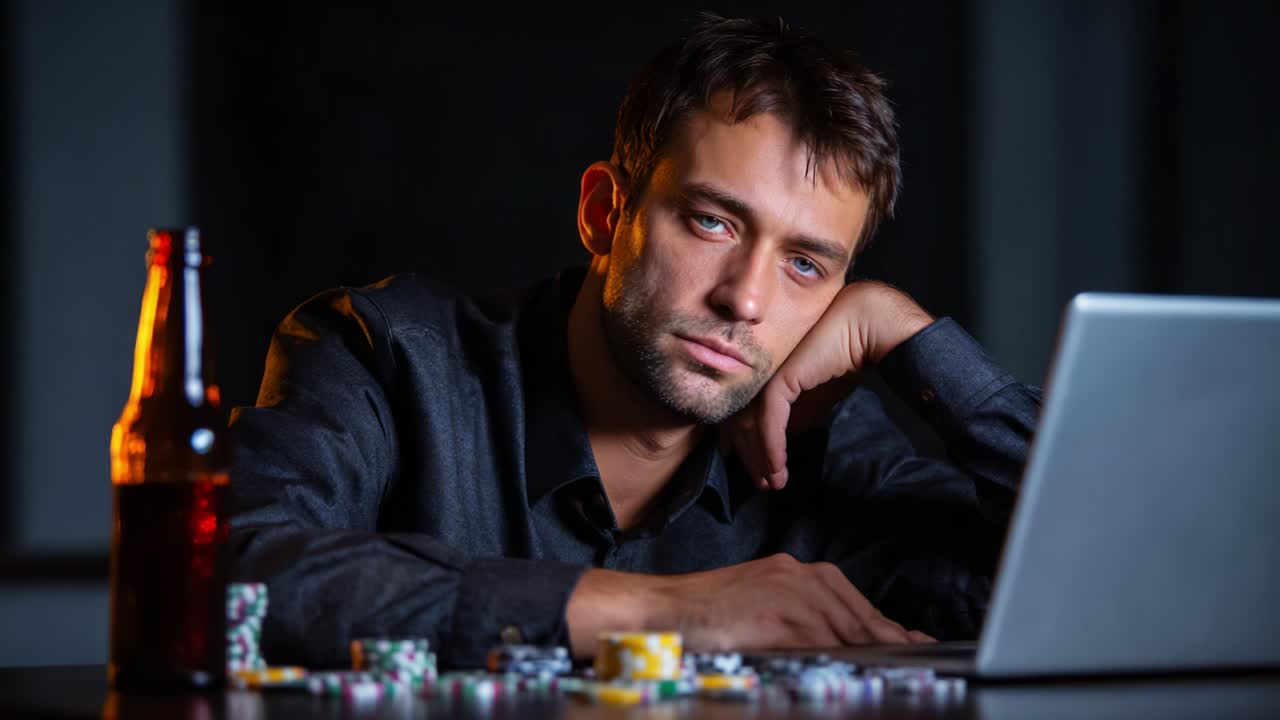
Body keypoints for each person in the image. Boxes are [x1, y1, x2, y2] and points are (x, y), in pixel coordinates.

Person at [228, 12, 1040, 670]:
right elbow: (224, 579)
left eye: (805, 264)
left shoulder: (822, 445)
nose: (746, 299)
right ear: (603, 215)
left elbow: (1094, 592)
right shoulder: (381, 356)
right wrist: (671, 614)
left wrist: (916, 342)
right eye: (712, 221)